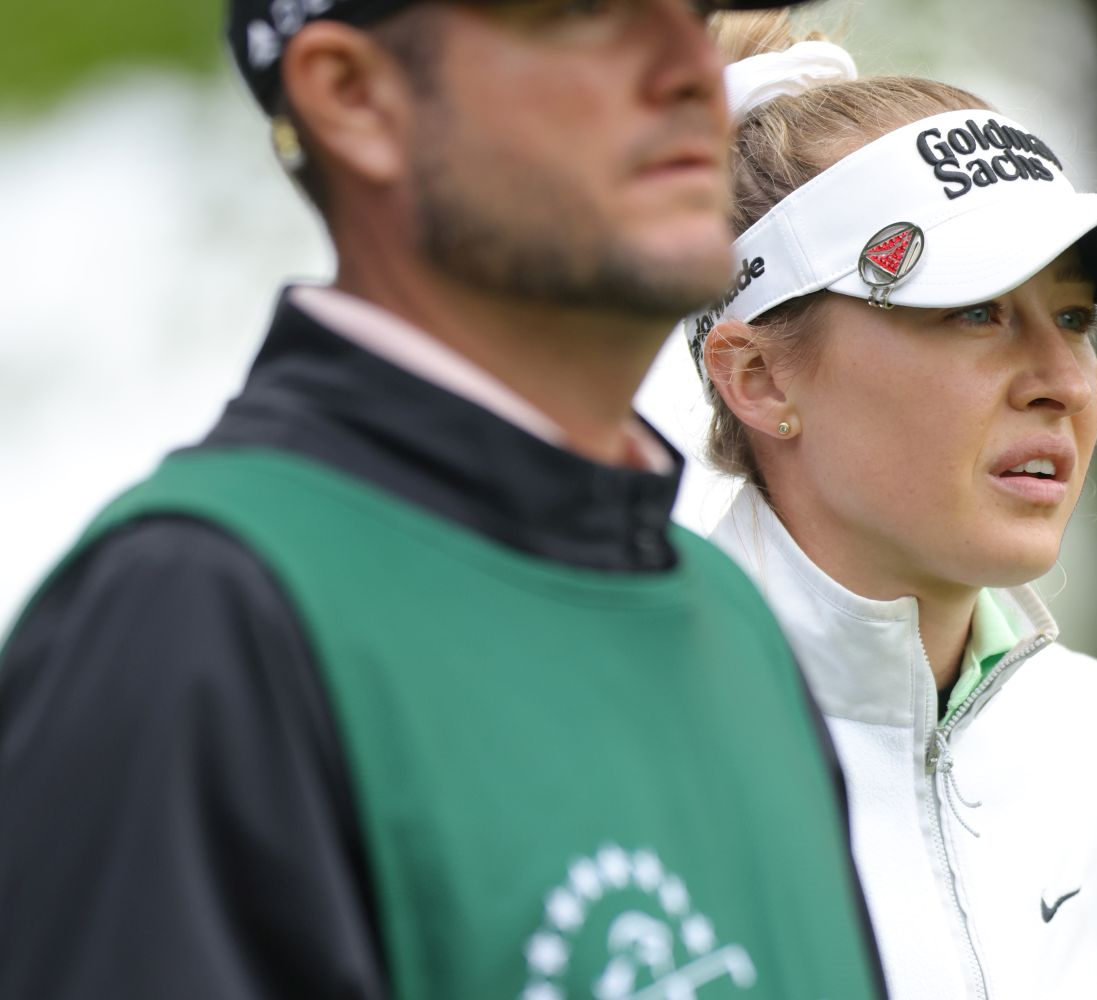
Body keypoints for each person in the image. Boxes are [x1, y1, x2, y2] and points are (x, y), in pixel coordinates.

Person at [0, 3, 888, 998]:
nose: (687, 67)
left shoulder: (732, 621)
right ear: (354, 96)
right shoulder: (189, 617)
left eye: (691, 13)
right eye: (589, 16)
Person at [686, 15, 1097, 999]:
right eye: (976, 308)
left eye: (1073, 317)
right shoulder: (631, 722)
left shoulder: (1088, 737)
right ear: (758, 377)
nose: (1061, 377)